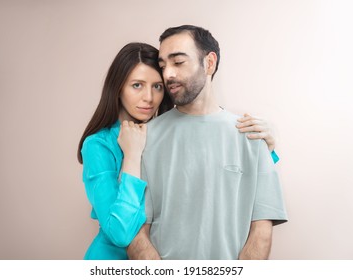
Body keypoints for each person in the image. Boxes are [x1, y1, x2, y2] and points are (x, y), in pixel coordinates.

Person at [78, 42, 280, 260]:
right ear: (117, 88)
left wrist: (267, 147)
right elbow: (120, 233)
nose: (149, 97)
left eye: (157, 86)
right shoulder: (98, 145)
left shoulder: (157, 133)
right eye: (137, 85)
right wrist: (132, 156)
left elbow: (211, 165)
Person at [127, 25, 288, 260]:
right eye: (162, 66)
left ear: (209, 63)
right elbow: (135, 231)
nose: (168, 74)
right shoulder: (144, 138)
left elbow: (261, 232)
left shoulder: (252, 135)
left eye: (178, 62)